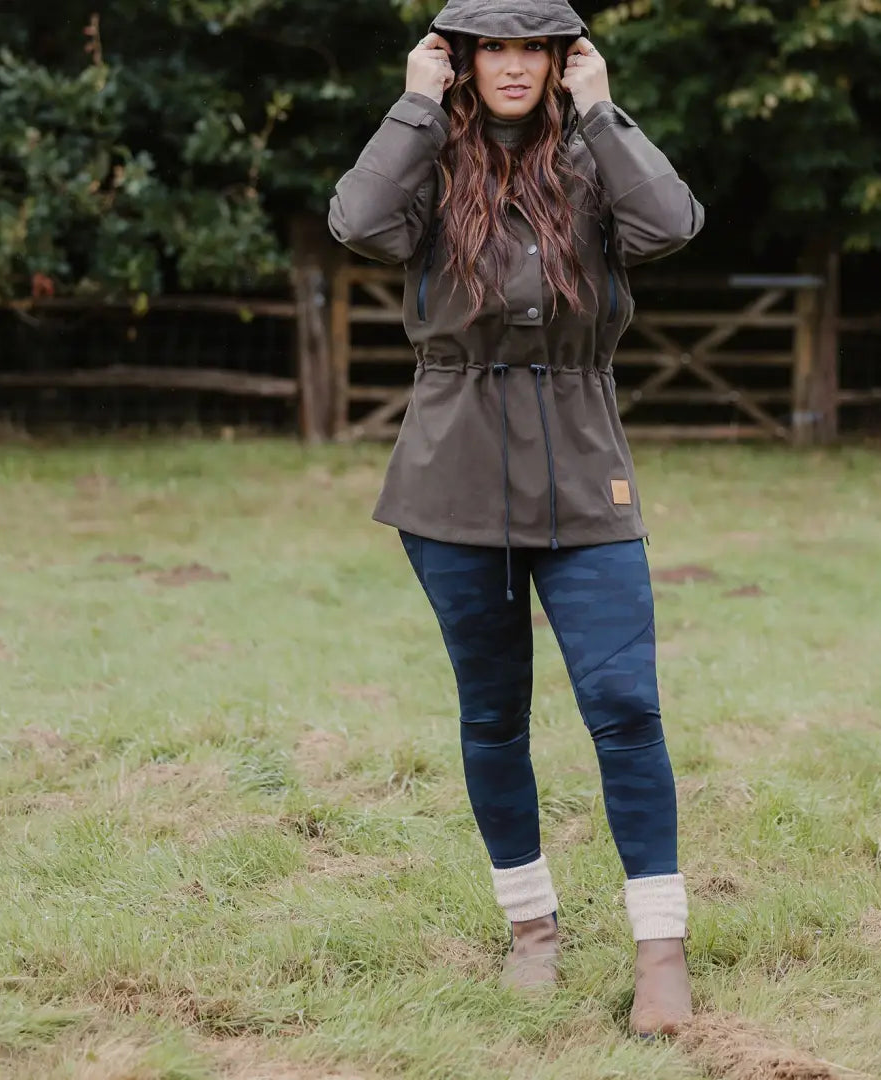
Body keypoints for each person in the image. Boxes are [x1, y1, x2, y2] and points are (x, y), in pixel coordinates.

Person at [328, 0, 704, 1037]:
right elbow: (357, 224)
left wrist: (606, 114)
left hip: (587, 477)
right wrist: (411, 106)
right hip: (451, 483)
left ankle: (659, 951)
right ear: (458, 58)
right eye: (488, 47)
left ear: (558, 60)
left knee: (626, 709)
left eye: (529, 49)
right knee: (493, 716)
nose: (509, 67)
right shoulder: (429, 163)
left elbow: (671, 225)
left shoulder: (591, 160)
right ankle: (532, 929)